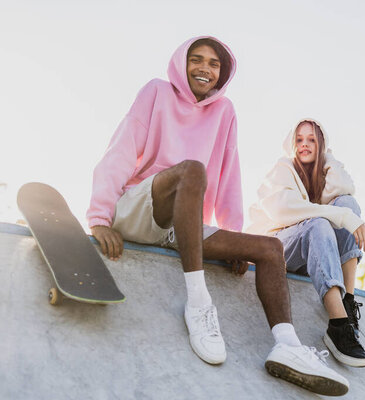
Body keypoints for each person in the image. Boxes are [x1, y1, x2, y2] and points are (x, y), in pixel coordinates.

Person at [86, 37, 348, 396]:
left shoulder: (224, 111)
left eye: (213, 64)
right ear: (182, 63)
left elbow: (228, 177)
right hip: (142, 206)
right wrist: (100, 216)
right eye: (197, 60)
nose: (204, 69)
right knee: (192, 170)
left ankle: (287, 346)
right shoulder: (157, 92)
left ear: (222, 73)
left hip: (184, 225)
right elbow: (121, 149)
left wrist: (231, 238)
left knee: (270, 248)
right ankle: (199, 304)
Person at [247, 119, 365, 368]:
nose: (305, 144)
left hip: (314, 251)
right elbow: (283, 210)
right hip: (277, 248)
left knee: (347, 204)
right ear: (291, 144)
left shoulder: (323, 174)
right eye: (299, 139)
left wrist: (328, 159)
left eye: (312, 140)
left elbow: (345, 188)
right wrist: (341, 218)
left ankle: (348, 299)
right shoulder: (281, 169)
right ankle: (338, 324)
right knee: (320, 222)